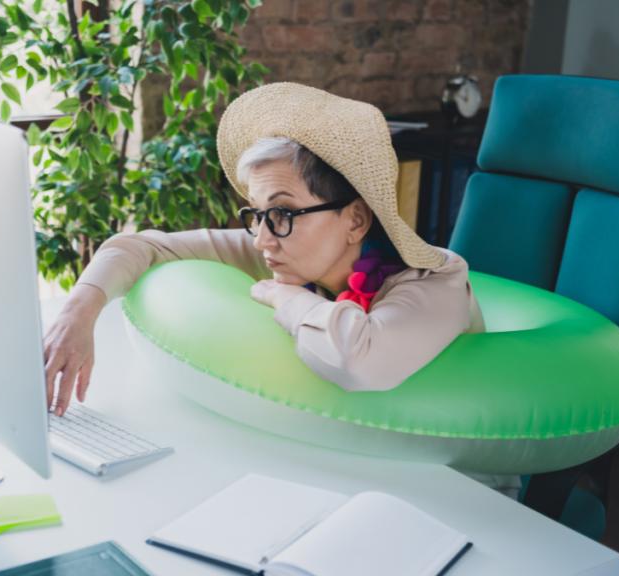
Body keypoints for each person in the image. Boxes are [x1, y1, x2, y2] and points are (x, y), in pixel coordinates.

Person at [44, 82, 485, 416]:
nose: (261, 238)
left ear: (355, 220)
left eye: (283, 213)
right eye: (256, 214)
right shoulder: (281, 248)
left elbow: (360, 360)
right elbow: (144, 246)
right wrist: (78, 311)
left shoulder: (436, 281)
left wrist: (283, 296)